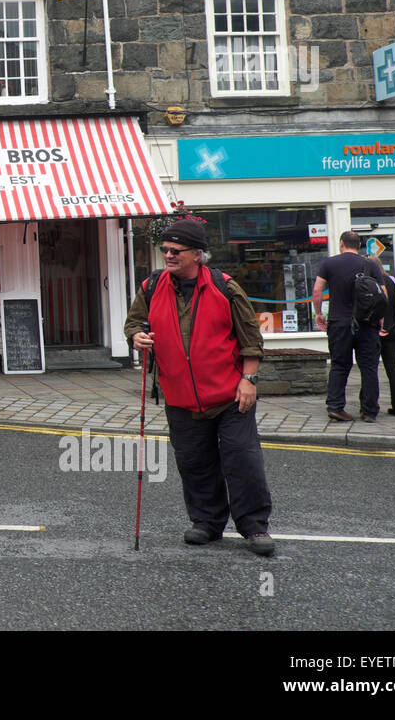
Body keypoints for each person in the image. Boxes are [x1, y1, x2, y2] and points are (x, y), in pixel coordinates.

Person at [123, 218, 275, 556]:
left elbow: (251, 337)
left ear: (197, 254)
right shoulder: (151, 286)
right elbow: (134, 322)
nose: (168, 256)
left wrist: (249, 379)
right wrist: (136, 336)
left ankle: (254, 527)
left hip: (230, 394)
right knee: (194, 462)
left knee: (242, 459)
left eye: (175, 251)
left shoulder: (224, 287)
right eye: (165, 250)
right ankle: (207, 522)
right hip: (180, 396)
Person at [311, 231, 385, 423]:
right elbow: (383, 294)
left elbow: (317, 290)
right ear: (359, 245)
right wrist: (381, 319)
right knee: (369, 367)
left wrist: (318, 313)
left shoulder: (330, 263)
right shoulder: (369, 264)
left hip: (339, 322)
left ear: (341, 243)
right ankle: (369, 411)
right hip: (367, 323)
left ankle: (335, 407)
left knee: (339, 365)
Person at [369, 255, 395, 418]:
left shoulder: (369, 283)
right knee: (394, 367)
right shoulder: (394, 281)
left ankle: (369, 406)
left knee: (370, 368)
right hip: (394, 330)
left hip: (374, 330)